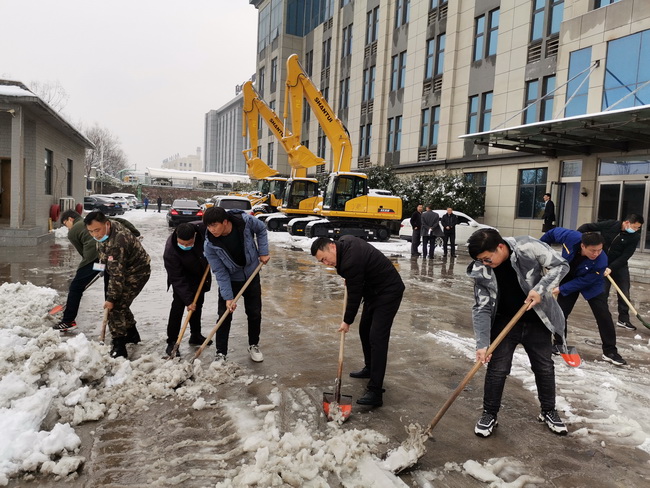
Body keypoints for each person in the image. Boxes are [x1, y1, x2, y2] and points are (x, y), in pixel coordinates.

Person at [467, 228, 569, 438]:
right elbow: (482, 307)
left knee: (544, 367)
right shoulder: (481, 269)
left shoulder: (527, 247)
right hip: (504, 322)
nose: (485, 263)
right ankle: (490, 414)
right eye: (481, 260)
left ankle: (548, 410)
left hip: (537, 320)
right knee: (497, 370)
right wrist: (482, 344)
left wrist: (540, 289)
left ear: (500, 247)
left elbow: (561, 265)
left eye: (487, 259)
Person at [311, 236, 405, 407]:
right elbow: (358, 276)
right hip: (373, 290)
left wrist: (346, 321)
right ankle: (370, 368)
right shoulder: (345, 243)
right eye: (321, 261)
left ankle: (376, 391)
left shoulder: (350, 260)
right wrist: (355, 276)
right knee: (364, 330)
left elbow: (354, 295)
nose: (325, 263)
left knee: (377, 338)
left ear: (332, 247)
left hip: (388, 291)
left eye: (324, 258)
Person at [541, 228, 626, 366]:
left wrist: (561, 289)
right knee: (560, 313)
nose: (596, 253)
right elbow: (552, 233)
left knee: (603, 315)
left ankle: (610, 351)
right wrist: (542, 250)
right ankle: (559, 344)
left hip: (591, 282)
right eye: (593, 250)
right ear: (582, 246)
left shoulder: (601, 260)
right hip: (569, 275)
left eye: (599, 250)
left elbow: (585, 281)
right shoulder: (571, 237)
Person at [202, 206, 270, 362]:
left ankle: (253, 344)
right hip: (231, 279)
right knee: (224, 316)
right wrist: (228, 297)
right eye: (208, 226)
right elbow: (220, 272)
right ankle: (221, 352)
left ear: (225, 222)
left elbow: (261, 229)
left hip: (252, 274)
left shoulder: (244, 221)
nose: (211, 230)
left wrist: (263, 251)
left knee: (254, 313)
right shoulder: (210, 245)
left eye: (214, 225)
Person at [84, 211, 151, 359]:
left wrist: (111, 298)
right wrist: (101, 268)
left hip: (137, 272)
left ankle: (119, 344)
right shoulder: (107, 230)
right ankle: (132, 333)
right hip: (120, 268)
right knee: (120, 302)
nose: (95, 234)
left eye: (97, 230)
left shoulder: (118, 242)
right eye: (91, 231)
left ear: (106, 224)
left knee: (116, 305)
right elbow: (104, 255)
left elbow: (117, 276)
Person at [577, 214, 644, 331]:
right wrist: (577, 239)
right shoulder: (610, 225)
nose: (636, 230)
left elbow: (625, 256)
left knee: (624, 292)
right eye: (635, 227)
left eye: (638, 228)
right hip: (602, 263)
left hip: (620, 266)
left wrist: (611, 267)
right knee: (603, 293)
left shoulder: (634, 237)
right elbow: (587, 226)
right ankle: (603, 318)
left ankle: (624, 319)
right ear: (627, 222)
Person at [163, 221, 213, 358]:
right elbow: (177, 279)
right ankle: (172, 342)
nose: (185, 246)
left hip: (199, 273)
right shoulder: (171, 251)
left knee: (198, 305)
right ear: (177, 235)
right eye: (182, 244)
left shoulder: (203, 230)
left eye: (189, 243)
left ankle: (195, 335)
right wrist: (188, 300)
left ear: (195, 236)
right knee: (178, 307)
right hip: (181, 276)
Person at [56, 210, 102, 331]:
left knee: (76, 287)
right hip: (108, 255)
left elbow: (84, 254)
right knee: (111, 292)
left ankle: (68, 321)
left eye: (65, 224)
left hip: (94, 259)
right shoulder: (88, 222)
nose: (66, 227)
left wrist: (85, 270)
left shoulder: (73, 232)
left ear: (70, 219)